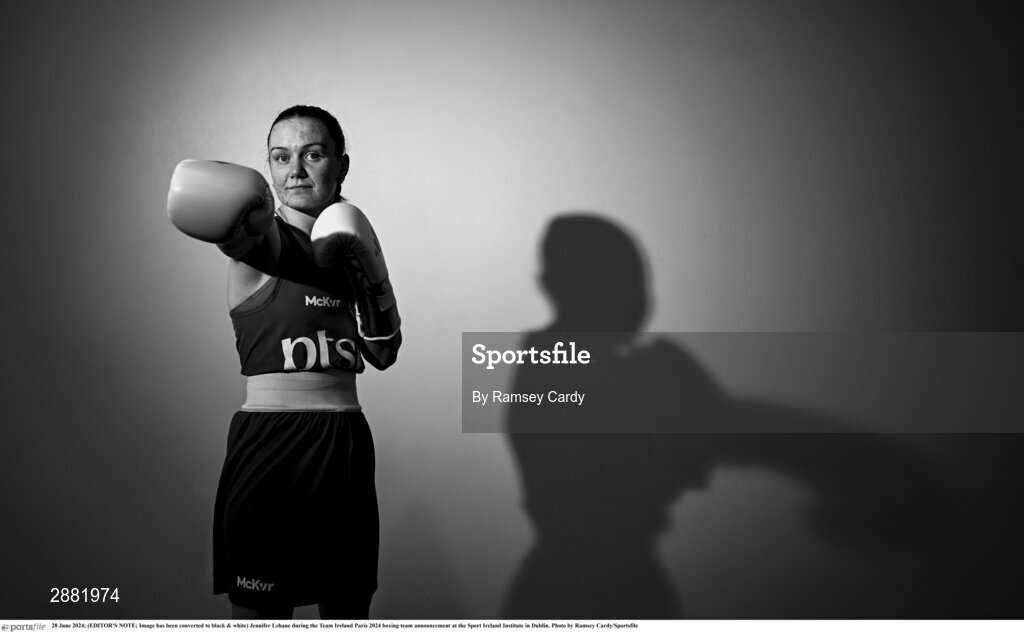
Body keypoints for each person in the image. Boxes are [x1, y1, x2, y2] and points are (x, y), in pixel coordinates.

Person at [167, 105, 401, 619]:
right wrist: (235, 223)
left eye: (312, 154)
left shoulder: (352, 247)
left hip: (345, 444)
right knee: (260, 616)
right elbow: (252, 240)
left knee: (347, 612)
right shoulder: (259, 244)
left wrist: (372, 284)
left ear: (341, 164)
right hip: (272, 445)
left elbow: (384, 352)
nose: (294, 170)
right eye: (280, 157)